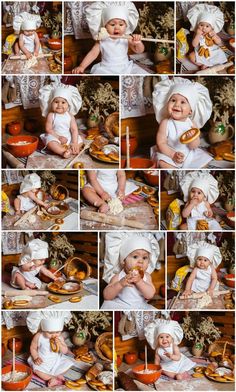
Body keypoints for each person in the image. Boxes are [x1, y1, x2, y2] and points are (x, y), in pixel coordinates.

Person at [72, 1, 148, 74]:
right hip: (106, 68)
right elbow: (93, 54)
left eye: (121, 24)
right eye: (112, 24)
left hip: (125, 67)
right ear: (105, 25)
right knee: (98, 73)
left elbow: (139, 51)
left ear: (126, 26)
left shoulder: (126, 37)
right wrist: (82, 66)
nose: (117, 28)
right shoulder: (102, 39)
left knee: (140, 72)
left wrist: (138, 43)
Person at [152, 77, 212, 168]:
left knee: (204, 160)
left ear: (190, 111)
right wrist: (172, 154)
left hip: (188, 154)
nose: (177, 104)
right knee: (162, 163)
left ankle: (190, 168)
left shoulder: (191, 124)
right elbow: (161, 143)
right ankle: (172, 169)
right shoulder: (165, 123)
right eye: (173, 100)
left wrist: (192, 139)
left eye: (183, 102)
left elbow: (194, 146)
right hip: (168, 152)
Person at [101, 233, 160, 309]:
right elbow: (107, 296)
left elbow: (150, 295)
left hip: (139, 306)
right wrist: (120, 284)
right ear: (123, 260)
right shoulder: (118, 276)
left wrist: (139, 282)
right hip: (120, 304)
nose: (141, 261)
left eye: (145, 258)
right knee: (108, 304)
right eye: (135, 257)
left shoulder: (146, 276)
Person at [26, 311, 73, 387]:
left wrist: (60, 345)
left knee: (68, 363)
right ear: (44, 329)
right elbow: (33, 347)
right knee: (37, 370)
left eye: (57, 332)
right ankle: (51, 377)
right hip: (42, 361)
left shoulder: (60, 337)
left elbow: (65, 351)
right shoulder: (39, 336)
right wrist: (36, 357)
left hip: (56, 361)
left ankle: (57, 374)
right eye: (50, 333)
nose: (54, 335)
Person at [39, 83, 83, 158]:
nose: (59, 105)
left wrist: (74, 142)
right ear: (51, 103)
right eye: (56, 102)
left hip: (68, 137)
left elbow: (74, 130)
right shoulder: (51, 115)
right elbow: (48, 129)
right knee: (50, 142)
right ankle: (62, 152)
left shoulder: (70, 116)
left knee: (80, 139)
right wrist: (58, 137)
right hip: (55, 137)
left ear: (68, 104)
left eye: (63, 102)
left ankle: (72, 149)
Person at [187, 4, 228, 70]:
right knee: (190, 56)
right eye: (201, 25)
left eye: (207, 26)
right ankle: (203, 64)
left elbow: (219, 42)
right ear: (198, 24)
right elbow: (194, 45)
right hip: (200, 51)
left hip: (212, 51)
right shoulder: (197, 33)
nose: (203, 28)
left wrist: (214, 37)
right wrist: (197, 35)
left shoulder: (212, 32)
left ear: (212, 27)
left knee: (220, 54)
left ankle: (211, 64)